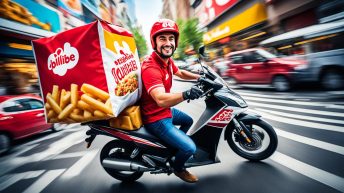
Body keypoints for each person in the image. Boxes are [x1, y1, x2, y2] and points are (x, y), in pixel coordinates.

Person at [140, 19, 203, 183]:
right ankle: (178, 167)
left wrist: (201, 77)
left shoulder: (166, 60)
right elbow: (160, 99)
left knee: (188, 120)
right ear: (154, 42)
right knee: (190, 147)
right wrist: (186, 94)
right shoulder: (151, 67)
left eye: (171, 38)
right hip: (156, 118)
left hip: (165, 112)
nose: (168, 43)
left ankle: (172, 148)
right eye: (162, 39)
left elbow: (180, 73)